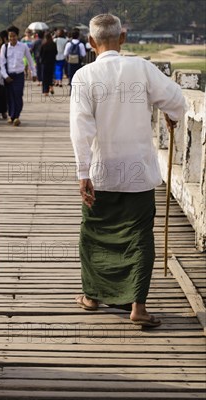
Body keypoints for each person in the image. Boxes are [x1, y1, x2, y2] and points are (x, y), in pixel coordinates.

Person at [69, 14, 186, 328]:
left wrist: (83, 173)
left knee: (94, 234)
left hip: (101, 168)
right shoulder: (141, 67)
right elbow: (176, 98)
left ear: (91, 42)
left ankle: (93, 297)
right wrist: (170, 115)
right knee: (139, 236)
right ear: (123, 37)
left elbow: (80, 129)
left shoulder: (84, 75)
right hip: (138, 169)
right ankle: (138, 306)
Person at [0, 25, 36, 126]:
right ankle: (11, 115)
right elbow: (2, 63)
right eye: (10, 36)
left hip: (19, 75)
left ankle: (16, 116)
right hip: (8, 75)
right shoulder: (4, 47)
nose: (12, 38)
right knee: (9, 96)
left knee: (18, 95)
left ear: (17, 36)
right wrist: (5, 76)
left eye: (14, 36)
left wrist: (34, 73)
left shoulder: (23, 47)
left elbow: (30, 60)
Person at [39, 31, 57, 96]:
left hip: (44, 63)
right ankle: (51, 87)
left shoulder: (43, 45)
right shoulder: (53, 44)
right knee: (50, 76)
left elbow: (41, 54)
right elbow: (56, 52)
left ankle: (45, 91)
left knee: (44, 77)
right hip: (52, 62)